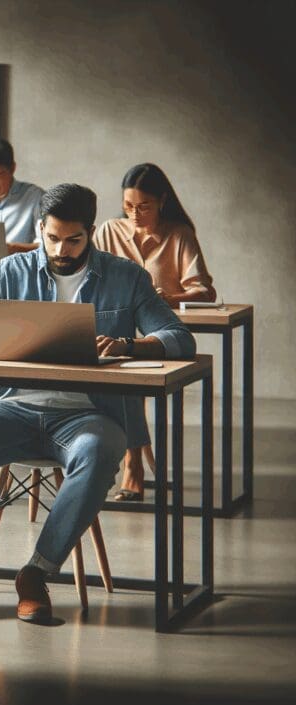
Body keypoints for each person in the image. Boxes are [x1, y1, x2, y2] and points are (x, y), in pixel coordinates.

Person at [0, 184, 195, 626]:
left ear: (89, 232)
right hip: (15, 405)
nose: (60, 248)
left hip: (88, 414)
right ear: (40, 229)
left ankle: (35, 575)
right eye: (51, 237)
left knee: (97, 453)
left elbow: (179, 338)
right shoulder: (11, 270)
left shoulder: (125, 277)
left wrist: (131, 346)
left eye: (72, 240)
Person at [94, 162, 216, 501]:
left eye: (143, 206)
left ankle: (131, 463)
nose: (134, 213)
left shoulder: (179, 235)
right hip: (113, 325)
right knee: (112, 366)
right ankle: (115, 458)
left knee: (128, 371)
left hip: (156, 328)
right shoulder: (106, 231)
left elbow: (205, 291)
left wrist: (170, 297)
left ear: (162, 200)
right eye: (128, 205)